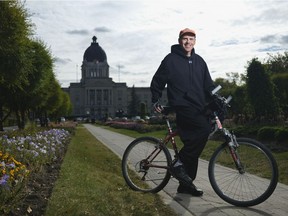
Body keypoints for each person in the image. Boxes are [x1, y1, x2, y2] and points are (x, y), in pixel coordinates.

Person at [150, 28, 215, 196]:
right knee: (203, 130)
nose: (188, 42)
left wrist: (217, 98)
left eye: (191, 39)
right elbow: (158, 80)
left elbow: (209, 85)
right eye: (185, 39)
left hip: (199, 106)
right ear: (180, 41)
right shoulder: (170, 60)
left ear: (195, 41)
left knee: (193, 146)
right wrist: (155, 99)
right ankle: (178, 166)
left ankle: (186, 185)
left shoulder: (200, 61)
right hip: (182, 106)